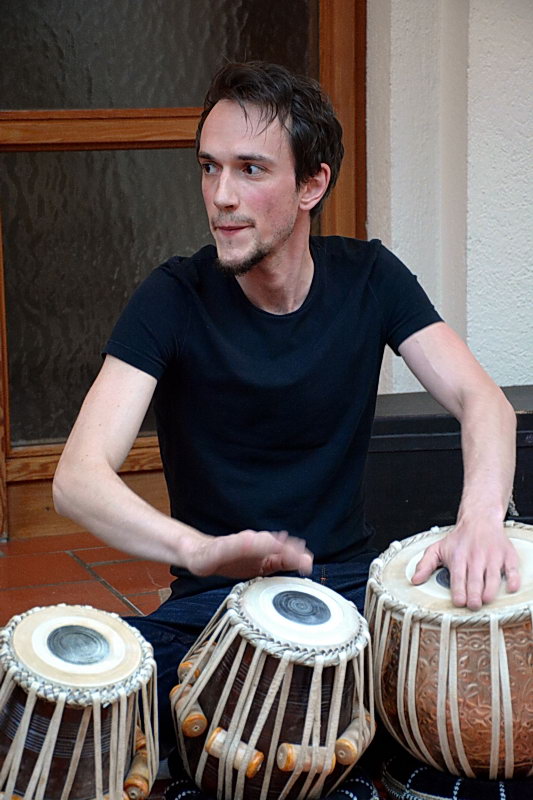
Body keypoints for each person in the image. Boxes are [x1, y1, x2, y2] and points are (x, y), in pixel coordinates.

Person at [53, 61, 519, 788]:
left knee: (489, 715)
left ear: (312, 184)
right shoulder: (172, 297)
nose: (221, 196)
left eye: (250, 169)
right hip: (214, 608)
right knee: (75, 718)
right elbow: (77, 478)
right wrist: (201, 551)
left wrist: (481, 517)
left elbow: (480, 399)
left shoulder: (370, 277)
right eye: (209, 167)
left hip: (352, 596)